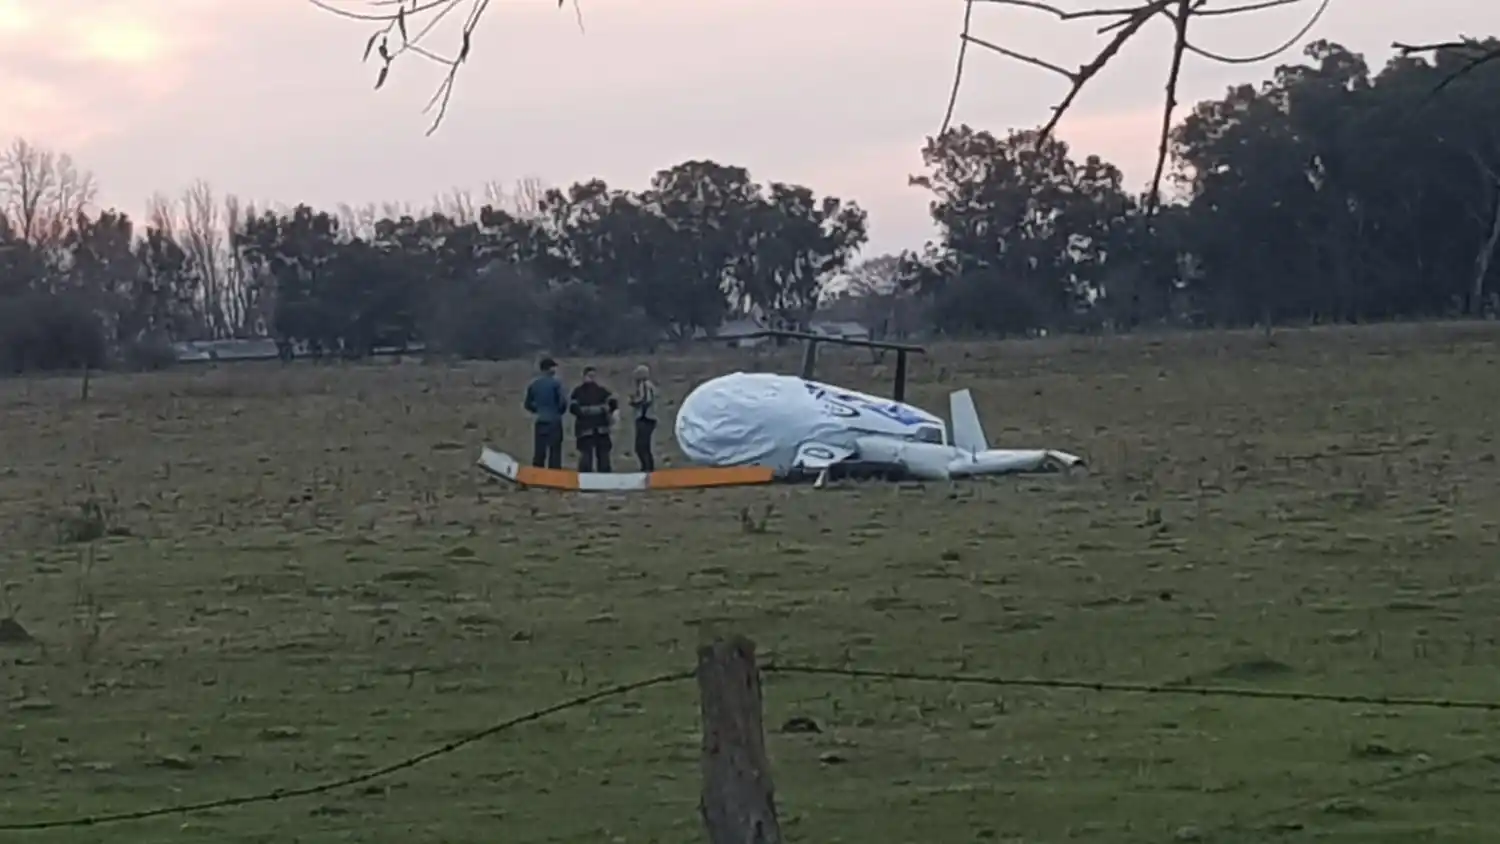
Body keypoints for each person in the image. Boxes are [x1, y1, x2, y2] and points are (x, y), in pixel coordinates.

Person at [569, 366, 619, 472]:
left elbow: (573, 409)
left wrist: (586, 412)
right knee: (600, 455)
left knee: (589, 454)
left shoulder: (578, 392)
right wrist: (604, 410)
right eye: (590, 376)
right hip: (600, 428)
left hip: (586, 429)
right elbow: (613, 404)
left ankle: (586, 478)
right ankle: (604, 477)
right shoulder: (602, 391)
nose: (591, 378)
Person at [523, 357, 567, 469]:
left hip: (540, 421)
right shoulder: (556, 384)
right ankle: (554, 476)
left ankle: (537, 475)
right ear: (549, 369)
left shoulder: (534, 384)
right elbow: (562, 403)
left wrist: (537, 410)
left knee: (539, 451)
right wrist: (558, 412)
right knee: (555, 451)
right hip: (554, 421)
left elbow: (527, 404)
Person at [628, 364, 658, 472]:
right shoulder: (649, 385)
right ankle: (648, 468)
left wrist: (633, 402)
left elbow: (645, 400)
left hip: (645, 418)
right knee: (644, 446)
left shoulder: (644, 385)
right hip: (649, 418)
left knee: (641, 447)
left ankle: (647, 469)